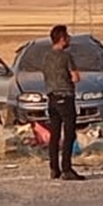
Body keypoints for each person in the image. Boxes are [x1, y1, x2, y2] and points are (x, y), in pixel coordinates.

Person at [42, 24, 85, 181]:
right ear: (61, 39)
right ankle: (66, 168)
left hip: (51, 98)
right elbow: (75, 77)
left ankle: (54, 168)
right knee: (69, 134)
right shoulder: (66, 57)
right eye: (67, 36)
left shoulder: (46, 57)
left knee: (54, 134)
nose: (69, 39)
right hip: (65, 97)